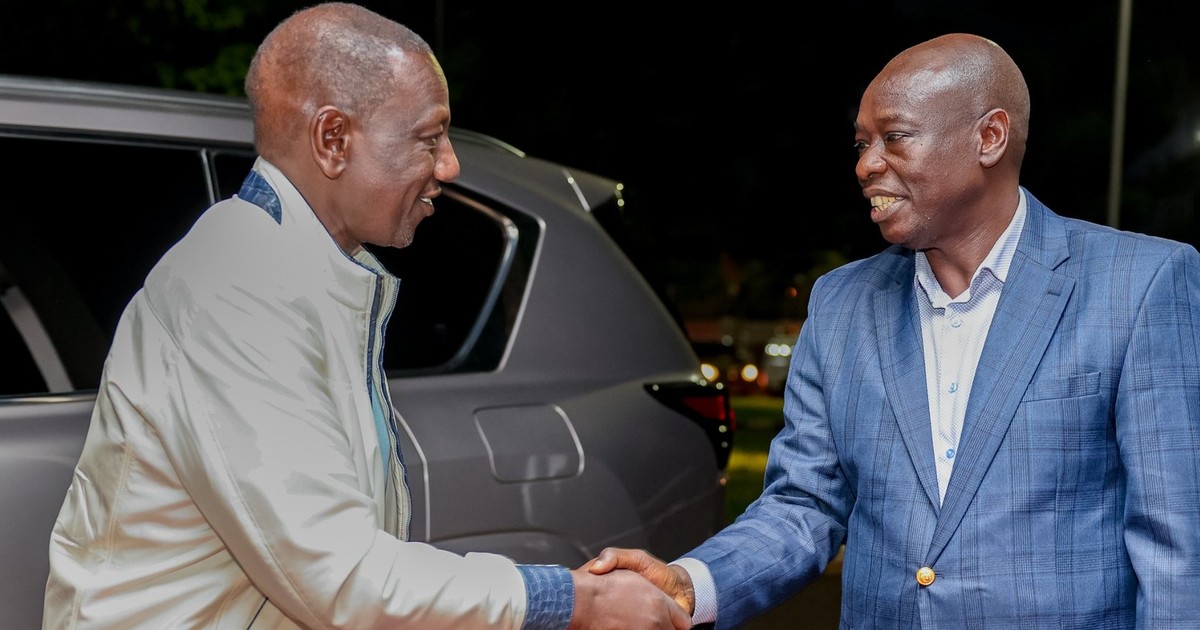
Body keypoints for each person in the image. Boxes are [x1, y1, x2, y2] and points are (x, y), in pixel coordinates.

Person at [41, 4, 689, 629]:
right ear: (333, 140)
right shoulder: (237, 284)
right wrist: (577, 601)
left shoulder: (300, 276)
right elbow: (343, 577)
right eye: (429, 138)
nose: (449, 165)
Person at [591, 32, 1200, 628]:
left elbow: (1176, 547)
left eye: (895, 137)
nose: (866, 164)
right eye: (861, 143)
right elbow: (805, 506)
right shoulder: (840, 303)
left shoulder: (1139, 284)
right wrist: (690, 585)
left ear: (989, 137)